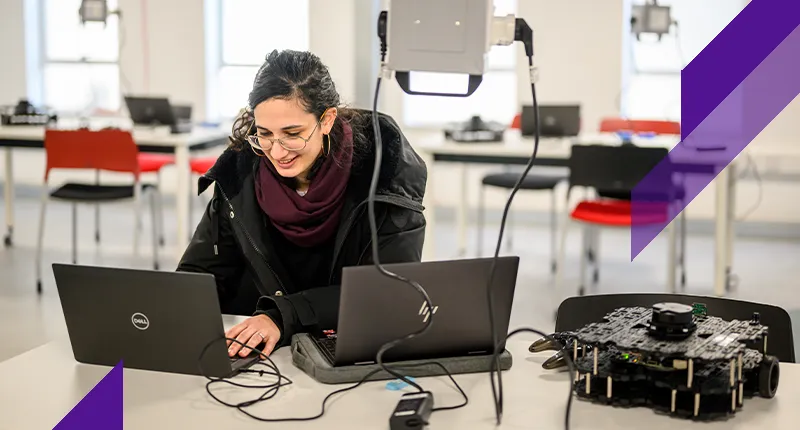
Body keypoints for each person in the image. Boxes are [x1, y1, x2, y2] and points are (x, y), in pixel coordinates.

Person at [177, 49, 427, 359]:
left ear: (327, 120)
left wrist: (282, 315)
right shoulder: (241, 174)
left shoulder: (385, 174)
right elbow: (201, 274)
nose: (277, 151)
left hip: (356, 351)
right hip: (272, 354)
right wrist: (172, 311)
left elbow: (389, 291)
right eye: (264, 134)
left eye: (292, 134)